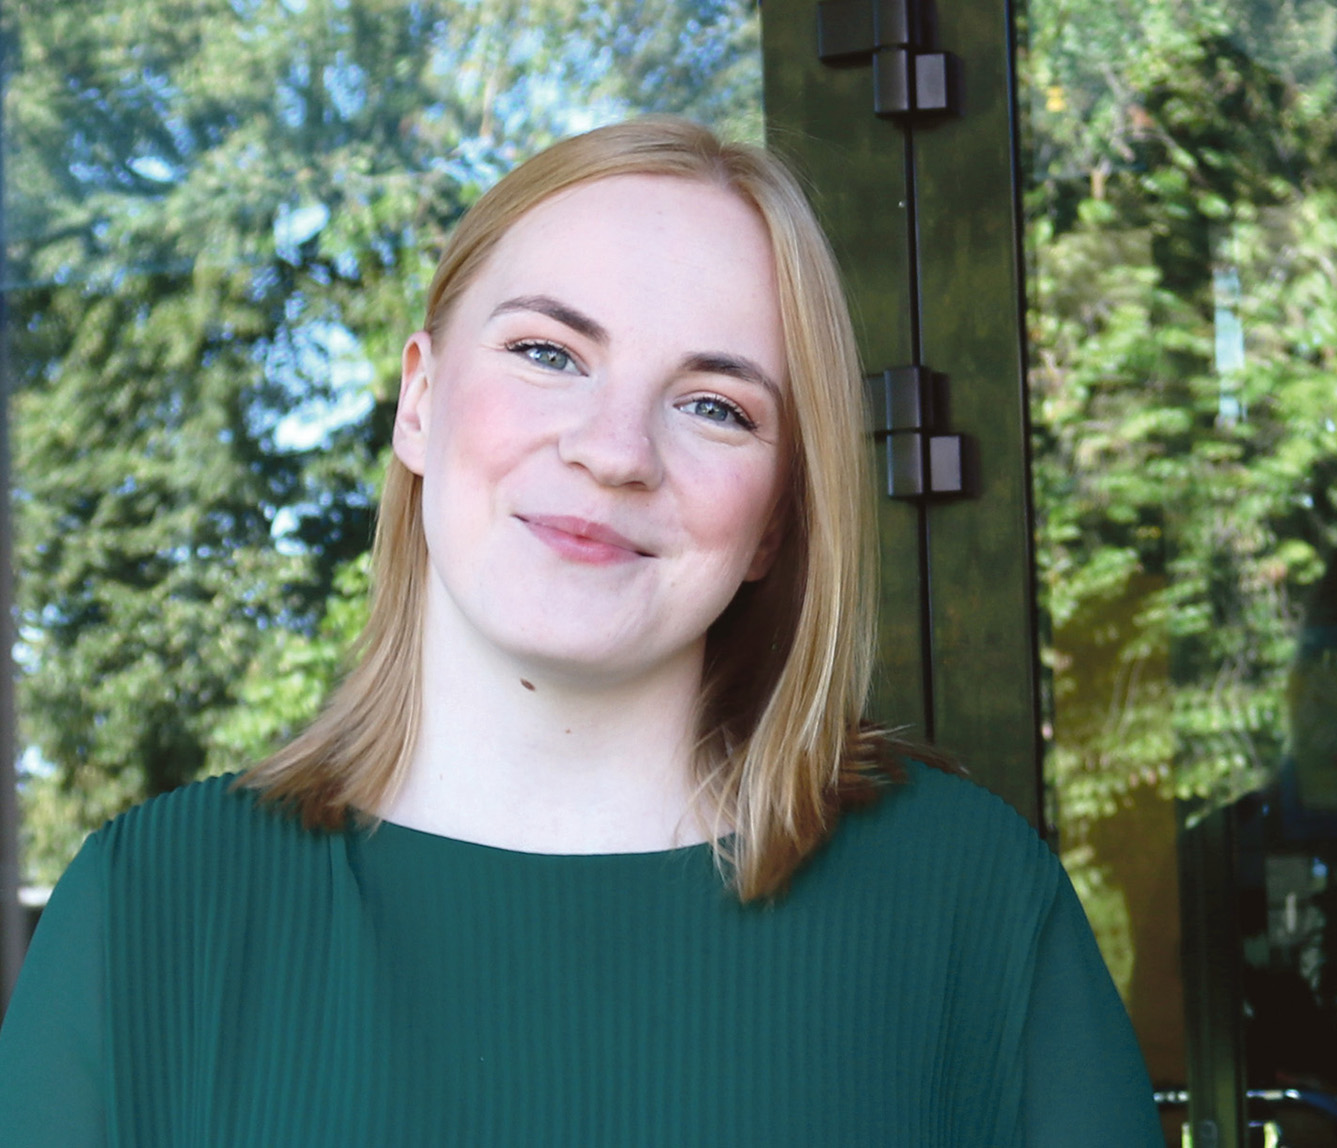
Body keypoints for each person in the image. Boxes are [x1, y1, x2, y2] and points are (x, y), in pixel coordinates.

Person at [0, 117, 1161, 1145]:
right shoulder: (144, 913)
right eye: (548, 353)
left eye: (715, 405)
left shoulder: (969, 903)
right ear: (419, 399)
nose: (614, 450)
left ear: (775, 519)